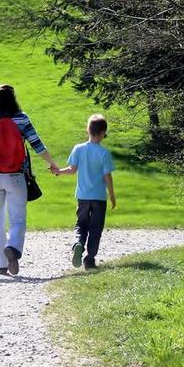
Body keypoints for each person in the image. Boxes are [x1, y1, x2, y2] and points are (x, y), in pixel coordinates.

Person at [0, 84, 59, 275]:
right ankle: (12, 247)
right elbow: (37, 144)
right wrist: (53, 164)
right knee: (18, 219)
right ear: (13, 98)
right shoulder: (21, 118)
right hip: (16, 175)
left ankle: (0, 264)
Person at [54, 114, 116, 270]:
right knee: (96, 228)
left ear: (88, 130)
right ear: (102, 133)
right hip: (99, 198)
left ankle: (78, 244)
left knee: (81, 225)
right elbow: (107, 176)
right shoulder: (104, 153)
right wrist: (112, 196)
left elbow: (72, 170)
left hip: (82, 197)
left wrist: (59, 171)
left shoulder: (78, 149)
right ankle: (89, 259)